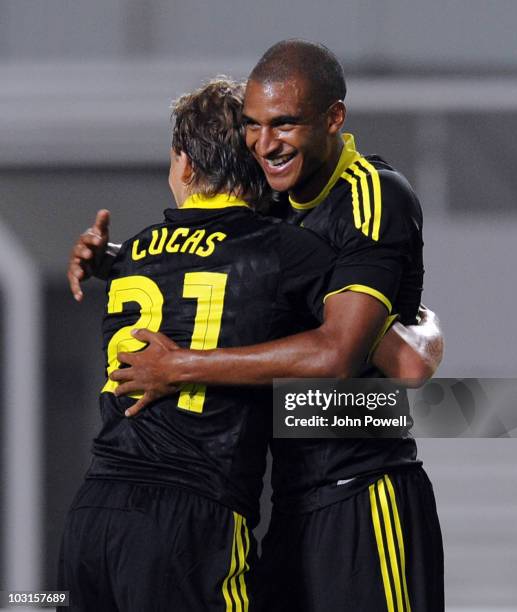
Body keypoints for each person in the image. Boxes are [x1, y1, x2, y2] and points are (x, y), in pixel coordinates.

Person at [67, 42, 444, 611]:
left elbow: (378, 359)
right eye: (254, 126)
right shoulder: (273, 208)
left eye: (285, 124)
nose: (266, 143)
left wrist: (427, 335)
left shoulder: (372, 197)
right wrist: (116, 260)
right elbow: (223, 270)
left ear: (333, 118)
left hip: (363, 490)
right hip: (284, 495)